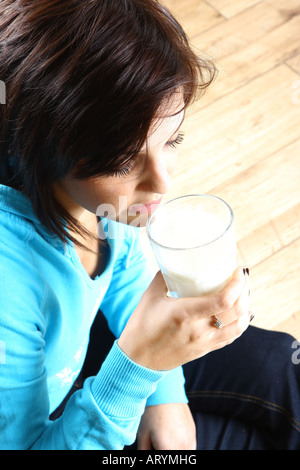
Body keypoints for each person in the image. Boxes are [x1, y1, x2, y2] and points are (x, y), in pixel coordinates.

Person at [0, 0, 299, 450]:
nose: (162, 183)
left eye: (171, 139)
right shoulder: (9, 291)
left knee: (281, 367)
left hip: (85, 350)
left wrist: (166, 395)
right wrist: (140, 365)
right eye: (123, 161)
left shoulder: (108, 203)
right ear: (40, 147)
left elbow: (128, 279)